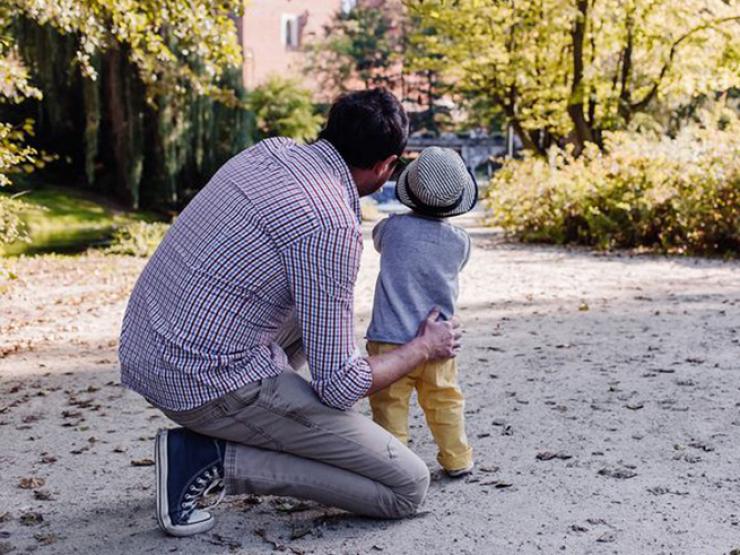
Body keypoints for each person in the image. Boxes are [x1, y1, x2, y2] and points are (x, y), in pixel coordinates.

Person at [117, 88, 462, 537]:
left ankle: (271, 421)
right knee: (405, 486)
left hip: (150, 346)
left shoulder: (271, 151)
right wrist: (422, 347)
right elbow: (342, 386)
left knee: (316, 306)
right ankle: (207, 459)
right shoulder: (332, 224)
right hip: (202, 379)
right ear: (385, 166)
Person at [366, 147, 477, 477]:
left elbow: (376, 240)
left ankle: (395, 465)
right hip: (439, 341)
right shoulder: (460, 241)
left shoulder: (391, 229)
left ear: (409, 190)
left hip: (389, 342)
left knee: (389, 406)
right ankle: (457, 458)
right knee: (445, 401)